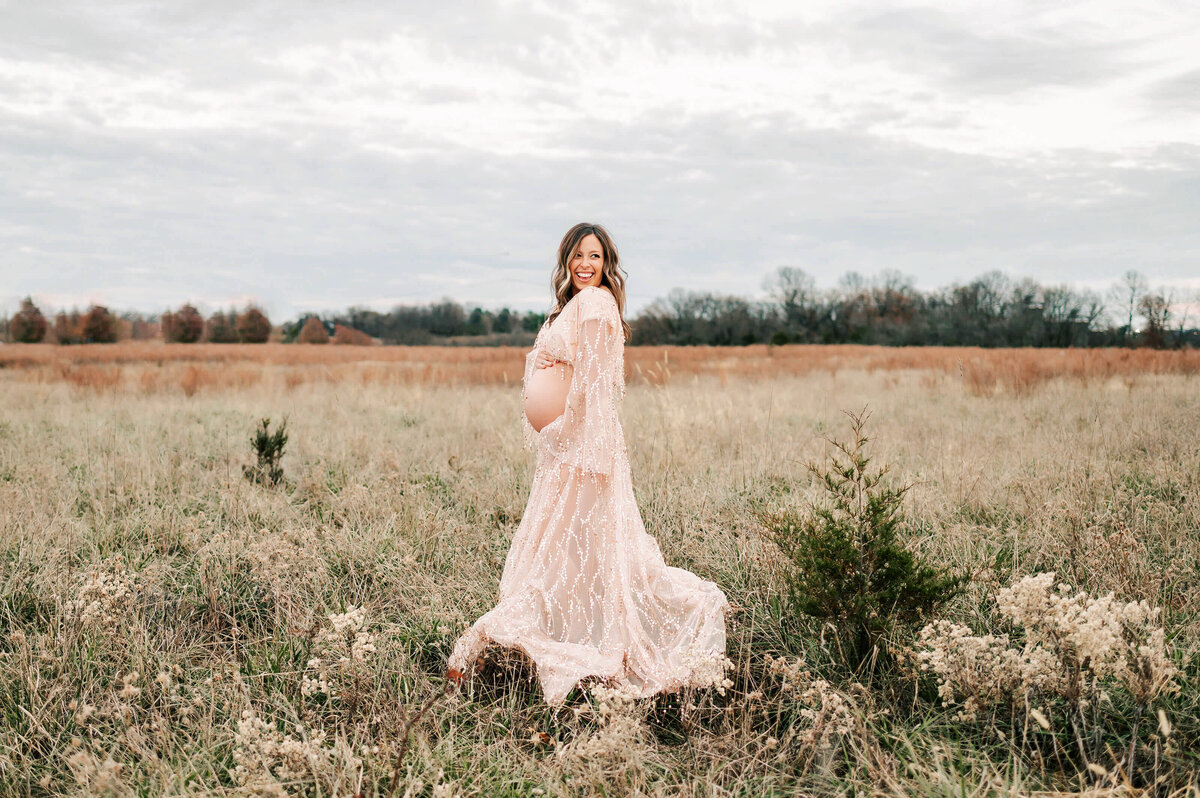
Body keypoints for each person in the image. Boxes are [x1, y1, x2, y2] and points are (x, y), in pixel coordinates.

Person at [446, 222, 730, 706]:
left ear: (607, 264)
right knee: (570, 553)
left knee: (572, 549)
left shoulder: (596, 306)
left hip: (583, 451)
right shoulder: (575, 305)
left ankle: (564, 639)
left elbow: (596, 387)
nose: (585, 264)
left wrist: (573, 442)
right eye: (577, 255)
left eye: (594, 256)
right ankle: (560, 630)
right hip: (564, 452)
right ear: (566, 260)